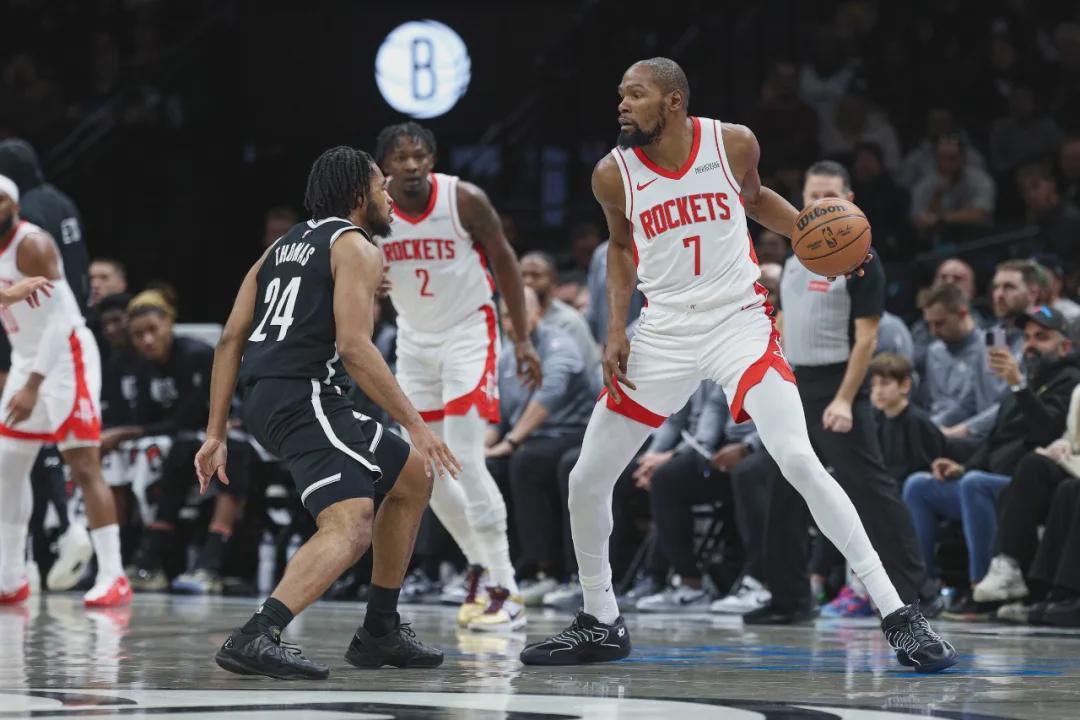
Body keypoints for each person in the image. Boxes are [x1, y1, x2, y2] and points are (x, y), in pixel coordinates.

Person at [519, 58, 956, 672]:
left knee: (798, 459)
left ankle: (898, 613)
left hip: (739, 322)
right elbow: (619, 246)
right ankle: (600, 619)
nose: (622, 104)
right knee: (586, 477)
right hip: (663, 331)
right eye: (620, 94)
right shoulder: (612, 174)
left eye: (636, 95)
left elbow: (755, 200)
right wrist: (616, 328)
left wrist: (821, 238)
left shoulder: (732, 143)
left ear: (673, 101)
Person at [197, 146, 459, 679]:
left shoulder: (280, 248)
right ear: (360, 194)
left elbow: (229, 339)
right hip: (305, 395)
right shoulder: (355, 246)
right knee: (351, 522)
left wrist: (216, 433)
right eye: (382, 186)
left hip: (271, 396)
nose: (390, 196)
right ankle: (258, 633)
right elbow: (356, 348)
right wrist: (418, 424)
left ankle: (380, 628)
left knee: (412, 476)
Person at [375, 122, 540, 631]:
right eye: (400, 157)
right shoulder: (374, 210)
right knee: (426, 470)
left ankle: (507, 589)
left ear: (433, 159)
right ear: (384, 166)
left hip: (469, 333)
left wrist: (522, 339)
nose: (411, 165)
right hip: (414, 342)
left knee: (465, 458)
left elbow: (506, 262)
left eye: (419, 155)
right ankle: (481, 566)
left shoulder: (463, 199)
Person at [767, 161, 938, 622]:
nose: (819, 204)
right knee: (778, 487)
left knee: (870, 490)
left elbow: (867, 338)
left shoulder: (860, 258)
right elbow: (783, 322)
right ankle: (788, 598)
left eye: (830, 196)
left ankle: (919, 592)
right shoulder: (793, 257)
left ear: (848, 201)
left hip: (840, 383)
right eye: (812, 196)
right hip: (795, 384)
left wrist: (845, 399)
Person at [0, 175, 129, 607]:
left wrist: (33, 385)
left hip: (65, 357)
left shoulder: (33, 245)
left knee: (83, 463)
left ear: (15, 206)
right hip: (26, 358)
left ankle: (114, 575)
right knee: (7, 467)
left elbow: (60, 320)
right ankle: (10, 577)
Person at [903, 307, 1079, 619]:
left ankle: (982, 591)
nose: (1030, 345)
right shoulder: (1021, 383)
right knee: (919, 486)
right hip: (991, 478)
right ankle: (920, 590)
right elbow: (993, 441)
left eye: (1041, 337)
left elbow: (1048, 432)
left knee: (976, 485)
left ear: (1065, 346)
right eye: (1027, 337)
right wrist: (962, 466)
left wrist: (1019, 385)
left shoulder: (1069, 382)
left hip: (1025, 487)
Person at [103, 291, 250, 594]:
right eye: (138, 335)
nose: (146, 340)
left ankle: (209, 563)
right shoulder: (142, 366)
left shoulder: (196, 355)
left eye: (152, 330)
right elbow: (149, 417)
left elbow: (187, 417)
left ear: (169, 324)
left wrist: (125, 433)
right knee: (173, 454)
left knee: (228, 452)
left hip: (236, 431)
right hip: (185, 441)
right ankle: (146, 560)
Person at [486, 287, 593, 623]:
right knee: (486, 468)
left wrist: (511, 441)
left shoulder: (560, 344)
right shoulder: (506, 357)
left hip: (575, 432)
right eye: (506, 316)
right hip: (533, 439)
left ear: (537, 314)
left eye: (518, 313)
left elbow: (549, 396)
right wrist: (481, 450)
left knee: (527, 462)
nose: (511, 322)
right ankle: (501, 569)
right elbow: (498, 416)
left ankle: (548, 570)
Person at [920, 284, 1005, 434]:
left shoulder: (994, 341)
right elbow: (936, 403)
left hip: (983, 431)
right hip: (942, 426)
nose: (933, 332)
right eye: (929, 324)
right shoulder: (934, 350)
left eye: (939, 323)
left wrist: (961, 430)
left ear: (963, 314)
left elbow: (993, 403)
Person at [519, 252, 601, 375]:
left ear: (553, 281)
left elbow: (583, 371)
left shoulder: (568, 321)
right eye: (522, 275)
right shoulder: (512, 319)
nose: (528, 281)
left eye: (536, 275)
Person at [869, 353, 945, 484]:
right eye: (873, 385)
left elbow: (924, 470)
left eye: (885, 384)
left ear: (905, 385)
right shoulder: (876, 418)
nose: (878, 391)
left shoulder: (917, 422)